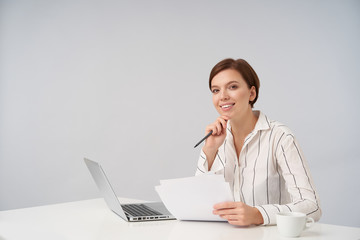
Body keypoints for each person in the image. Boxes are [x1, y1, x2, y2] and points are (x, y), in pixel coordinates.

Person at [195, 58, 321, 226]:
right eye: (215, 90)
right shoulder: (216, 138)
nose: (223, 96)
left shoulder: (280, 137)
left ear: (251, 93)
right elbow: (199, 201)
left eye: (232, 87)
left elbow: (312, 206)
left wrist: (258, 214)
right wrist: (209, 150)